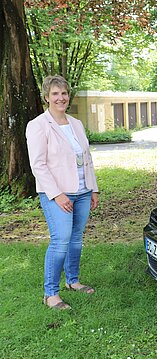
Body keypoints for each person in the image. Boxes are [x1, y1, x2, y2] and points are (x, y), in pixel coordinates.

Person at [26, 75, 100, 310]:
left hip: (83, 190)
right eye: (55, 94)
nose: (60, 98)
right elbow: (38, 165)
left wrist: (94, 188)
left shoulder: (75, 124)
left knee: (76, 239)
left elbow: (86, 158)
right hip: (57, 194)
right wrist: (57, 194)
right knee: (60, 241)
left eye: (64, 93)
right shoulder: (38, 125)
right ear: (47, 97)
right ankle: (50, 294)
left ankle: (73, 281)